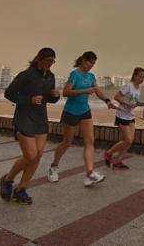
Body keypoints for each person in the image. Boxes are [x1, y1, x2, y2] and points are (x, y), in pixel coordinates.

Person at [0, 47, 60, 204]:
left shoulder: (51, 77)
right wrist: (29, 100)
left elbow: (49, 98)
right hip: (24, 118)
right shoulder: (26, 75)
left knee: (38, 155)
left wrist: (56, 96)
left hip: (41, 119)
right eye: (47, 61)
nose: (50, 64)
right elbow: (9, 93)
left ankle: (21, 189)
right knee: (30, 156)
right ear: (39, 59)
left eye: (52, 61)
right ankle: (7, 179)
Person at [48, 51, 115, 186]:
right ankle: (53, 167)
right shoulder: (75, 74)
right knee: (67, 143)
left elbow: (97, 90)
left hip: (85, 111)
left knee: (90, 141)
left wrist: (107, 101)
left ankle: (89, 174)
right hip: (70, 112)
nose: (92, 66)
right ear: (84, 60)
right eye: (90, 62)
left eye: (94, 64)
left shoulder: (91, 76)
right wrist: (84, 91)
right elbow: (66, 93)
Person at [104, 67, 144, 170]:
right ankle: (109, 153)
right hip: (122, 115)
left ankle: (118, 161)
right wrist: (127, 103)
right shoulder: (128, 86)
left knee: (130, 140)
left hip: (130, 116)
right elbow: (116, 97)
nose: (142, 79)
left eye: (143, 77)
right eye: (140, 76)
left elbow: (135, 102)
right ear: (135, 76)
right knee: (128, 140)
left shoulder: (138, 89)